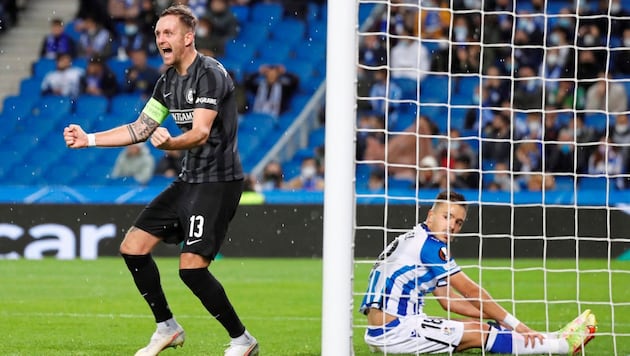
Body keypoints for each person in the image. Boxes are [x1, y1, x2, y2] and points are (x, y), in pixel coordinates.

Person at [62, 5, 258, 356]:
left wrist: (170, 143)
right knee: (132, 248)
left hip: (218, 181)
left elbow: (199, 132)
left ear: (188, 37)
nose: (160, 39)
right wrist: (88, 139)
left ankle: (242, 340)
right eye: (157, 34)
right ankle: (167, 327)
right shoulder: (167, 82)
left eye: (168, 33)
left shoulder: (210, 73)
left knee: (192, 270)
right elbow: (140, 128)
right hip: (190, 179)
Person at [360, 190, 597, 354]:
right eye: (447, 217)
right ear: (430, 216)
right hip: (394, 330)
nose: (452, 226)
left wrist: (491, 316)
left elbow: (448, 300)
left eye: (459, 222)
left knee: (473, 326)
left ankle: (551, 337)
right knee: (478, 332)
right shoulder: (430, 246)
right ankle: (562, 346)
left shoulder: (416, 238)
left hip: (393, 326)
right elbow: (471, 291)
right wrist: (515, 324)